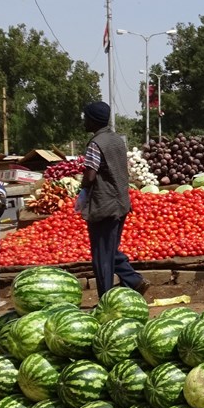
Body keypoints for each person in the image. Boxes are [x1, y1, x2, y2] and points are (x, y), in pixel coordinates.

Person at [78, 101, 148, 297]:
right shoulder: (117, 140)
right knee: (109, 249)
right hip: (120, 203)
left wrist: (82, 191)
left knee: (102, 256)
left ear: (93, 120)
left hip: (104, 205)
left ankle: (105, 298)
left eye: (86, 118)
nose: (84, 121)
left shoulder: (96, 143)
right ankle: (134, 280)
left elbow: (91, 175)